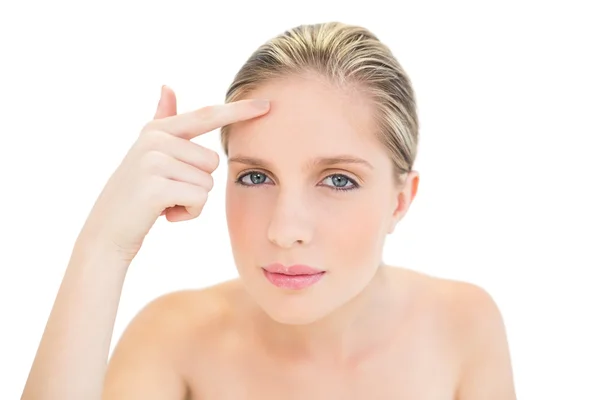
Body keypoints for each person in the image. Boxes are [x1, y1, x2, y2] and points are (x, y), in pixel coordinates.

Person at [21, 21, 516, 399]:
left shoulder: (463, 325)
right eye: (256, 177)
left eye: (338, 180)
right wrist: (104, 247)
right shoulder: (173, 338)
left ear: (399, 200)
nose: (285, 230)